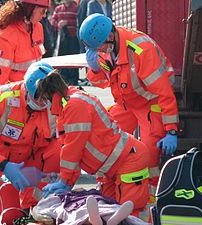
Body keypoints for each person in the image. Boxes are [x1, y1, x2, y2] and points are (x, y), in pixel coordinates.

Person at [79, 13, 179, 201]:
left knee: (148, 155)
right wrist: (94, 69)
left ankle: (150, 202)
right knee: (104, 138)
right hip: (127, 103)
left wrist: (171, 130)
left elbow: (164, 92)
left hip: (151, 102)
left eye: (99, 46)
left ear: (110, 36)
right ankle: (107, 195)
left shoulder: (141, 50)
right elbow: (104, 82)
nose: (98, 51)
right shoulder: (105, 48)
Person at [32, 64, 150, 221]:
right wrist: (68, 181)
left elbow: (73, 148)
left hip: (129, 161)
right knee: (107, 214)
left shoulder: (74, 106)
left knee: (130, 216)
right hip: (112, 168)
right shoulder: (68, 104)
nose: (45, 105)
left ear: (49, 94)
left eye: (44, 99)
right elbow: (73, 152)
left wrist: (65, 180)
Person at [0, 62, 60, 225]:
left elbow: (72, 136)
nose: (43, 104)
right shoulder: (0, 98)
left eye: (47, 99)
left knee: (61, 150)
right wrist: (5, 166)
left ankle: (41, 205)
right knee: (5, 215)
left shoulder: (56, 101)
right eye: (39, 99)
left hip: (33, 159)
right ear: (27, 91)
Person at [0, 0, 49, 102]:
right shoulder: (4, 40)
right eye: (42, 11)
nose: (44, 16)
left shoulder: (37, 28)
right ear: (29, 8)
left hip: (28, 98)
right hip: (10, 102)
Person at [31, 189, 150, 225]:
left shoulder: (62, 197)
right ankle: (111, 220)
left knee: (79, 214)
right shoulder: (94, 193)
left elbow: (41, 209)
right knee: (109, 209)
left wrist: (37, 212)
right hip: (99, 203)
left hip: (77, 206)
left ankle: (93, 220)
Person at [51, 0, 79, 85]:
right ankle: (63, 79)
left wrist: (67, 22)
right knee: (62, 58)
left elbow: (78, 21)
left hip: (72, 38)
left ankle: (73, 79)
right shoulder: (58, 9)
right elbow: (52, 21)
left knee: (73, 58)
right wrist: (58, 24)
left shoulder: (76, 8)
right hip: (62, 40)